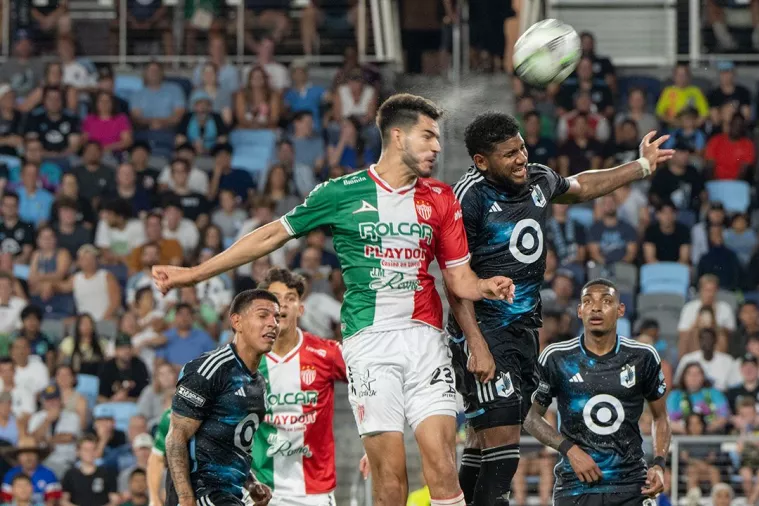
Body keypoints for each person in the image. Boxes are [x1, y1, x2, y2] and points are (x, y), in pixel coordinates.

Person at [153, 94, 516, 506]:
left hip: (426, 341)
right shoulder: (341, 193)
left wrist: (486, 286)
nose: (437, 147)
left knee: (443, 470)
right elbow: (272, 234)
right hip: (369, 344)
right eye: (428, 136)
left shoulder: (441, 197)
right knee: (391, 480)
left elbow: (459, 279)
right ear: (397, 136)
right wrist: (195, 273)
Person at [447, 112, 671, 506]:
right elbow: (454, 278)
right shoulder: (470, 196)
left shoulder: (536, 177)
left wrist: (640, 166)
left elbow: (581, 187)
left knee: (484, 440)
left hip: (522, 330)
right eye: (509, 154)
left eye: (521, 148)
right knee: (502, 436)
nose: (521, 159)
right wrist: (476, 344)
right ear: (482, 161)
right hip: (483, 327)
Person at [523, 278, 670, 505]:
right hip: (575, 486)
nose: (596, 307)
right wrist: (570, 451)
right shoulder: (556, 357)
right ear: (580, 311)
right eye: (588, 301)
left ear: (621, 310)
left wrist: (659, 464)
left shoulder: (643, 357)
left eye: (607, 301)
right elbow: (530, 417)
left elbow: (661, 417)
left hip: (632, 486)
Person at [165, 289, 277, 506]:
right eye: (263, 315)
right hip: (202, 492)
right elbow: (176, 437)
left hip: (229, 495)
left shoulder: (258, 382)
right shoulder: (209, 370)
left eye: (276, 317)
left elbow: (235, 446)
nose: (273, 323)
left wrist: (251, 484)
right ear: (237, 322)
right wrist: (186, 498)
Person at [251, 268, 346, 504]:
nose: (282, 305)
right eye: (275, 298)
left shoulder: (327, 353)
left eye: (290, 299)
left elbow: (369, 383)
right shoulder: (247, 360)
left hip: (314, 492)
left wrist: (374, 442)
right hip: (261, 491)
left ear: (300, 309)